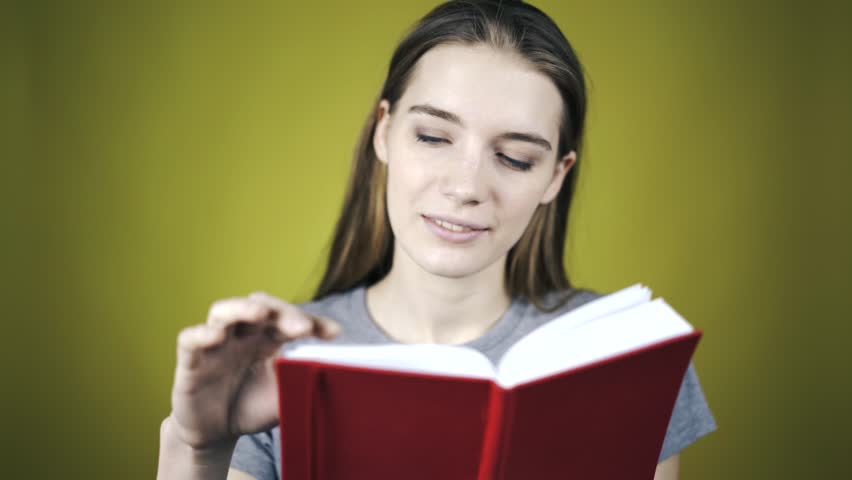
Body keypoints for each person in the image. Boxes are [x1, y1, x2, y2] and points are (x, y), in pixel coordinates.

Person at [156, 1, 717, 479]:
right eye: (432, 136)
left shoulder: (622, 357)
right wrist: (196, 446)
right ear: (384, 131)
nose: (467, 186)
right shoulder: (271, 368)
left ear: (555, 176)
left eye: (516, 158)